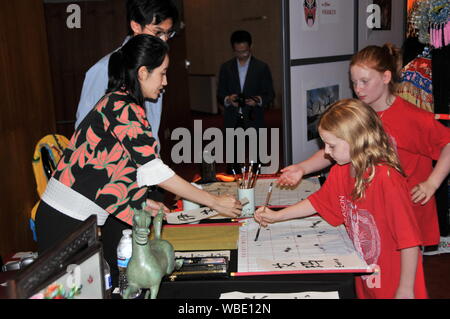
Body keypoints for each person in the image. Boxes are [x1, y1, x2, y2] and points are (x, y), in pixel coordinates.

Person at [35, 35, 242, 285]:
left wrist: (140, 203)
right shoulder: (122, 106)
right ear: (143, 72)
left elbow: (120, 171)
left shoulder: (122, 102)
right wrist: (214, 202)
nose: (165, 82)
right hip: (64, 222)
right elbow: (155, 172)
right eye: (162, 73)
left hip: (74, 221)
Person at [278, 44, 450, 248]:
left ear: (386, 78)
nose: (358, 89)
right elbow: (334, 148)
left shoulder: (411, 117)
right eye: (354, 82)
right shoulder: (357, 114)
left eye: (365, 82)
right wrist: (302, 168)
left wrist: (432, 183)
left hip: (405, 212)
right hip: (370, 210)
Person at [256, 99, 428, 299]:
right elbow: (319, 201)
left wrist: (406, 288)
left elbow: (410, 241)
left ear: (357, 140)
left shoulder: (386, 179)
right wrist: (278, 216)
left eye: (331, 145)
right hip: (367, 273)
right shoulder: (342, 169)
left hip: (396, 279)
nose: (326, 152)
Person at [74, 0, 179, 143]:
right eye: (158, 32)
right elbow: (83, 131)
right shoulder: (103, 69)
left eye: (168, 34)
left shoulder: (156, 65)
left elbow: (151, 127)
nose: (164, 41)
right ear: (135, 26)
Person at [217, 30, 275, 174]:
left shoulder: (261, 67)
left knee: (257, 159)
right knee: (233, 159)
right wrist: (229, 99)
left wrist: (257, 100)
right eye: (238, 52)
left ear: (251, 47)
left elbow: (270, 94)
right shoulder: (226, 67)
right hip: (233, 117)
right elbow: (220, 93)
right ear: (233, 49)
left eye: (245, 51)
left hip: (254, 116)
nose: (242, 55)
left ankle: (258, 181)